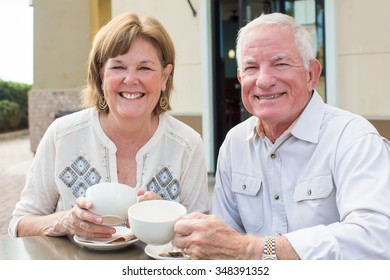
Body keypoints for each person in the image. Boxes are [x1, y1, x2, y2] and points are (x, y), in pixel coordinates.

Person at [173, 12, 390, 260]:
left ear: (311, 74)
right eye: (251, 67)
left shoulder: (353, 138)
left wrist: (254, 250)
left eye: (280, 64)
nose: (264, 81)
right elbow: (224, 242)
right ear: (241, 77)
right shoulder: (235, 143)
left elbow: (376, 240)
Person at [9, 12, 209, 238]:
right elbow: (20, 224)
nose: (131, 79)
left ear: (164, 77)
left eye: (145, 68)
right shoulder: (62, 135)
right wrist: (65, 221)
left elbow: (201, 237)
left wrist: (167, 218)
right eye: (118, 67)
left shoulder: (187, 145)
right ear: (100, 75)